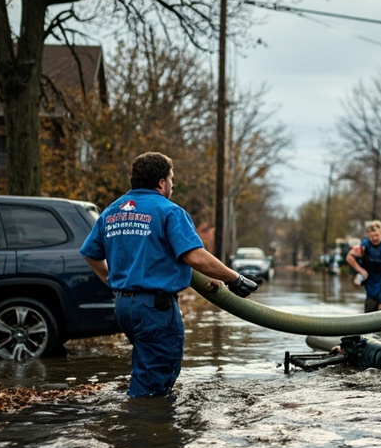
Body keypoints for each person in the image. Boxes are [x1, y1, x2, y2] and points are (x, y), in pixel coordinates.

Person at [81, 152, 260, 398]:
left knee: (145, 367)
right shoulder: (168, 211)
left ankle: (140, 421)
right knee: (156, 378)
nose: (172, 185)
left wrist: (111, 281)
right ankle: (142, 428)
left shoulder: (112, 212)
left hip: (125, 306)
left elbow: (90, 253)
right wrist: (235, 278)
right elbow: (195, 256)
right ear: (162, 182)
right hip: (155, 308)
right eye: (171, 178)